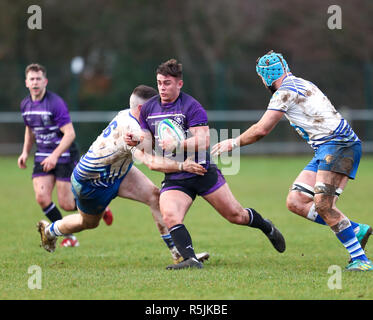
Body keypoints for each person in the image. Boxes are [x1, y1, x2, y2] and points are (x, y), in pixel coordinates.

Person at [212, 50, 373, 271]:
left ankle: (361, 261)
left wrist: (233, 143)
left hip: (338, 145)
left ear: (266, 77)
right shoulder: (301, 83)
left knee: (323, 205)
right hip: (326, 148)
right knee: (295, 201)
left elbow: (261, 130)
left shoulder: (284, 93)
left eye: (261, 77)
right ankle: (354, 230)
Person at [126, 59, 286, 270]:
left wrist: (178, 143)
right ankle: (190, 260)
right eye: (159, 83)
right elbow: (148, 143)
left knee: (236, 215)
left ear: (179, 84)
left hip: (202, 171)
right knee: (170, 215)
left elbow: (203, 141)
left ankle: (267, 227)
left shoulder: (191, 106)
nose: (162, 88)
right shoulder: (149, 109)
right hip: (176, 176)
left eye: (167, 83)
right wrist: (137, 140)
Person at [37, 85, 210, 265]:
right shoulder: (131, 130)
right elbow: (152, 162)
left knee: (154, 196)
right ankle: (49, 231)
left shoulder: (131, 116)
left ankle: (178, 253)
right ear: (143, 109)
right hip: (92, 182)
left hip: (119, 172)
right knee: (88, 223)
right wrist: (182, 165)